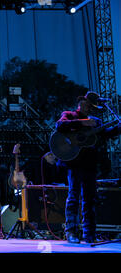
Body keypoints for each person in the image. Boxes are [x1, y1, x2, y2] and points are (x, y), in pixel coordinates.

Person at [55, 91, 120, 244]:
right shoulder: (70, 115)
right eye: (87, 104)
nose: (88, 107)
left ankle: (89, 234)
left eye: (91, 106)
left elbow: (104, 135)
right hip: (74, 162)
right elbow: (60, 125)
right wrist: (83, 123)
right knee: (73, 196)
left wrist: (118, 128)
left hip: (90, 164)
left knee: (90, 199)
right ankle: (71, 231)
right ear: (81, 102)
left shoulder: (96, 121)